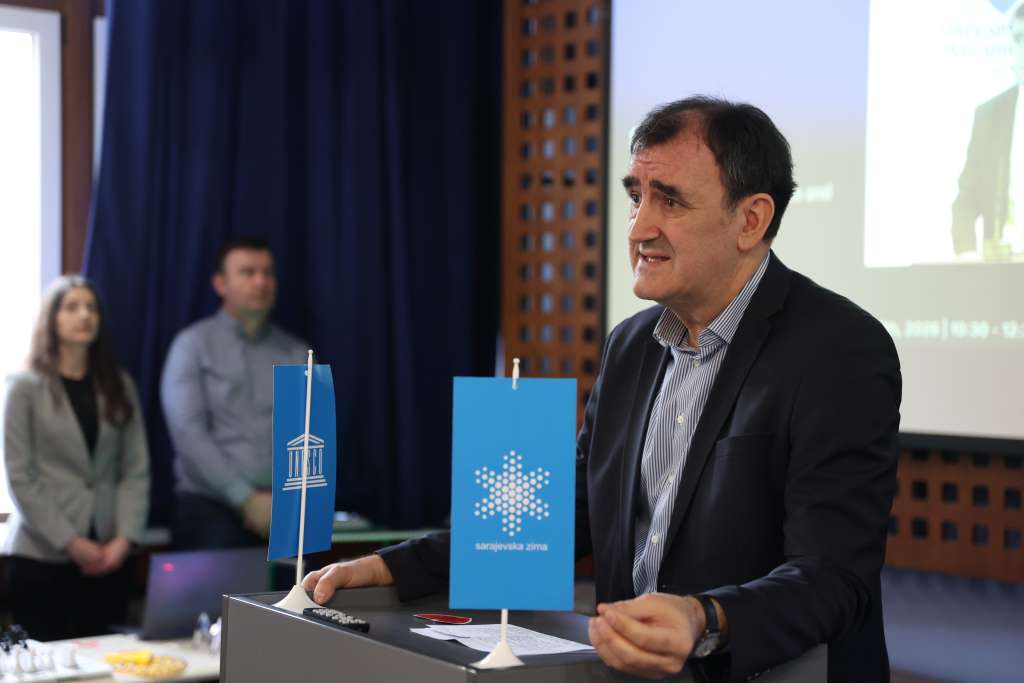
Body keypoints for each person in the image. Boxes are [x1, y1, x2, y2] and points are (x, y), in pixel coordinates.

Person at [303, 97, 901, 683]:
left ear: (751, 220)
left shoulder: (839, 349)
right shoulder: (631, 345)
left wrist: (705, 619)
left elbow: (833, 577)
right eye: (636, 196)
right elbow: (568, 514)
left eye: (670, 200)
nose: (639, 227)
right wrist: (395, 567)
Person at [2, 275, 150, 641]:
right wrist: (71, 542)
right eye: (71, 307)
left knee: (109, 659)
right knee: (45, 660)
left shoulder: (118, 384)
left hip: (109, 553)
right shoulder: (23, 387)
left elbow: (136, 469)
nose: (84, 315)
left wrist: (124, 539)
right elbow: (20, 476)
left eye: (91, 307)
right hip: (40, 554)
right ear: (51, 318)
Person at [161, 236, 306, 550]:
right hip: (211, 507)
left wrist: (290, 499)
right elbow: (188, 433)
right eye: (248, 272)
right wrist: (244, 498)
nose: (260, 282)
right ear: (220, 283)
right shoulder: (192, 345)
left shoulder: (297, 353)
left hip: (284, 509)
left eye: (268, 273)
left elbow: (309, 434)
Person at [951, 2, 1024, 258]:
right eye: (1018, 39)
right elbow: (965, 203)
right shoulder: (989, 115)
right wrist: (968, 257)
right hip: (1000, 268)